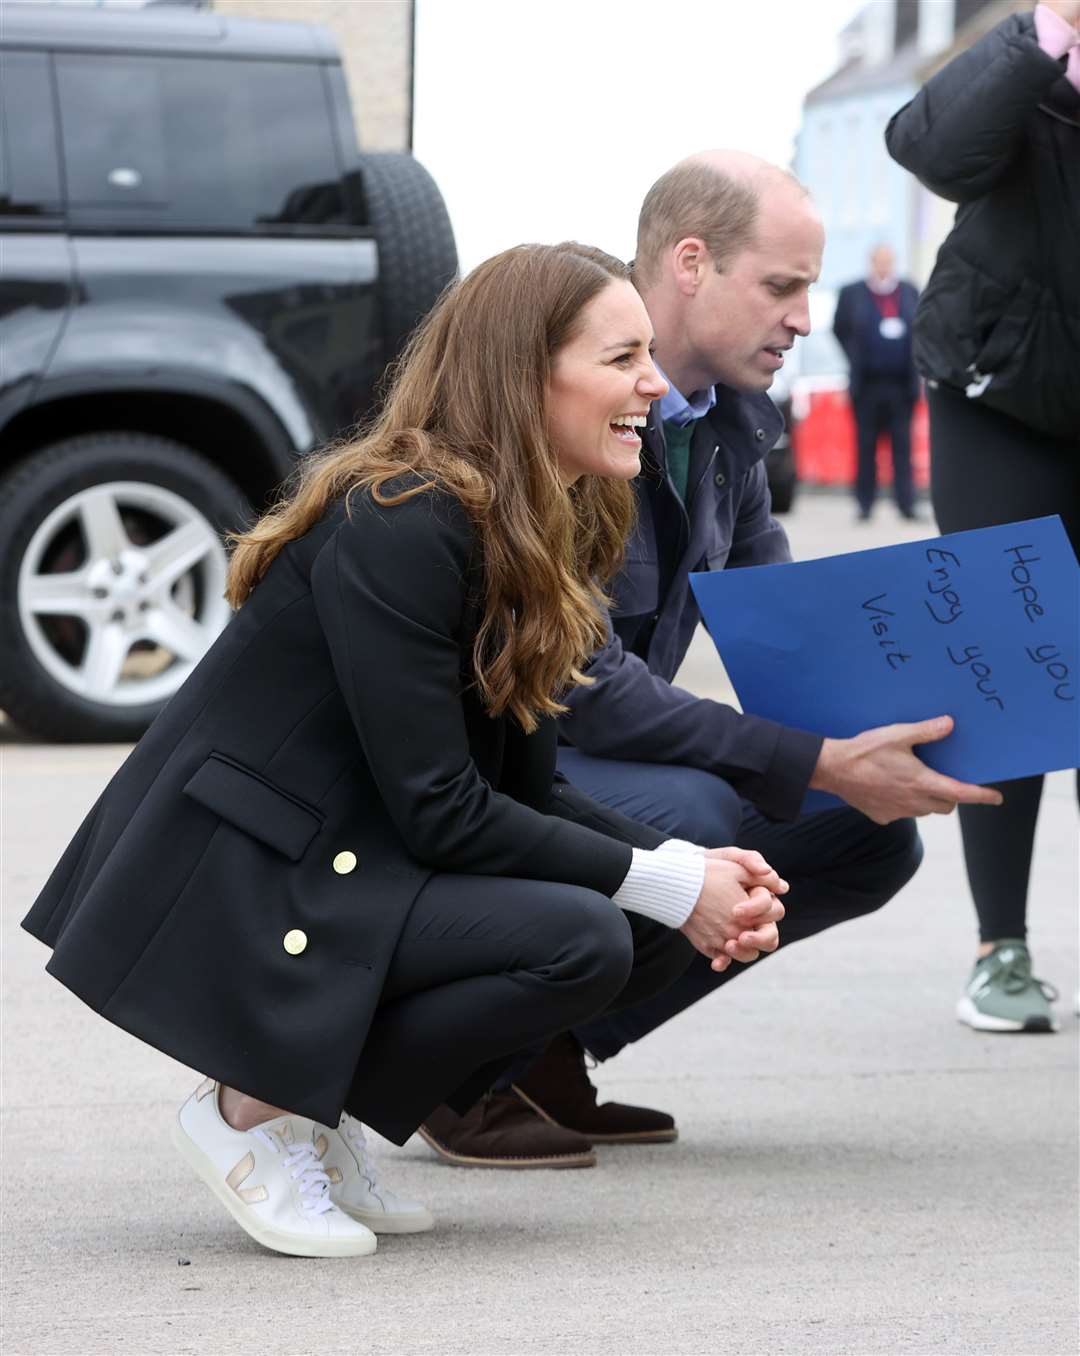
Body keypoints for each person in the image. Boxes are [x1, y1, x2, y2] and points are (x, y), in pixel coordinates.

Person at [21, 242, 791, 1257]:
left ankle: (312, 1110)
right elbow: (442, 808)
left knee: (636, 920)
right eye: (621, 358)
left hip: (361, 852)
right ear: (524, 376)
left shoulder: (534, 519)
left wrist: (683, 877)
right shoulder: (403, 518)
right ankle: (251, 1110)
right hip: (257, 873)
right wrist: (663, 879)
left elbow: (525, 785)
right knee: (591, 933)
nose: (652, 383)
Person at [419, 152, 1007, 1171]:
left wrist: (925, 718)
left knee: (870, 837)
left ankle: (555, 1048)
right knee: (692, 818)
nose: (804, 319)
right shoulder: (566, 402)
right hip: (496, 766)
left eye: (810, 289)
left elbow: (793, 628)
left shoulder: (731, 425)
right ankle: (462, 1071)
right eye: (782, 286)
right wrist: (811, 758)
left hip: (591, 763)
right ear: (690, 263)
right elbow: (585, 685)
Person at [887, 2, 1080, 1032]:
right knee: (1008, 668)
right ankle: (999, 949)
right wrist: (1042, 31)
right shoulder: (1028, 73)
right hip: (998, 397)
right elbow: (930, 148)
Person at [833, 245, 921, 521]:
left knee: (902, 448)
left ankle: (906, 504)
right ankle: (864, 503)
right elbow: (840, 328)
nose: (884, 266)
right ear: (871, 262)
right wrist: (855, 356)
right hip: (867, 386)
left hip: (900, 386)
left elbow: (920, 327)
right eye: (879, 261)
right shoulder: (853, 293)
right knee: (865, 446)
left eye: (888, 261)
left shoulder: (908, 291)